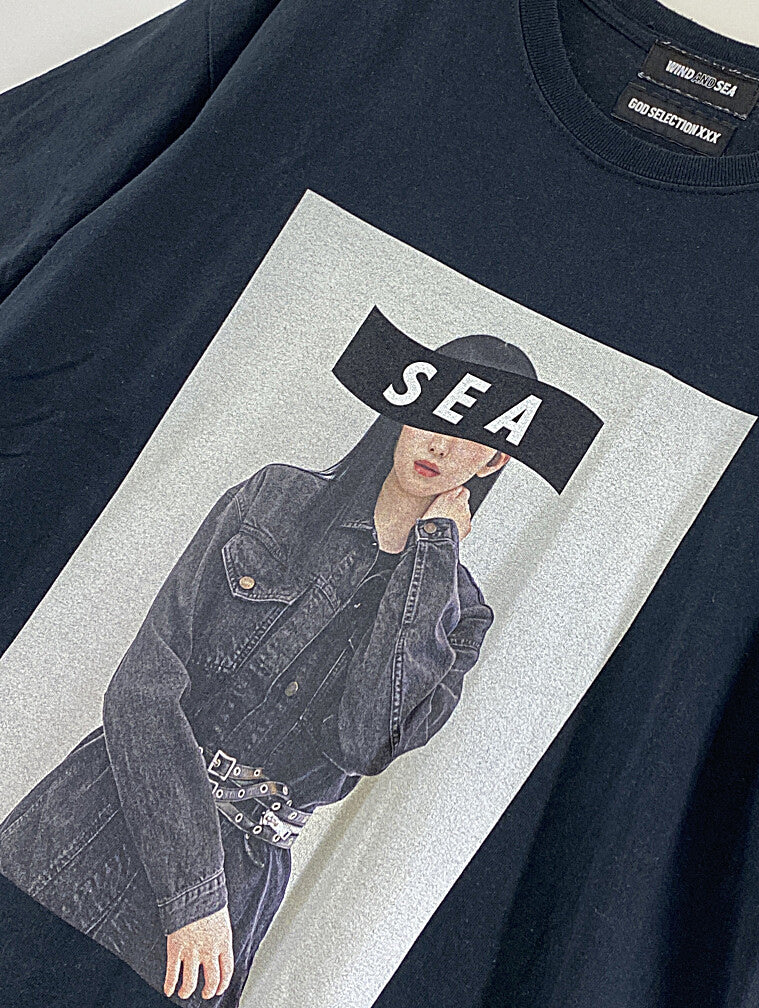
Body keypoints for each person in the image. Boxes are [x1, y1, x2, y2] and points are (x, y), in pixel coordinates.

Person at [0, 333, 537, 1005]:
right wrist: (193, 894)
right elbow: (142, 688)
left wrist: (433, 554)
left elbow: (363, 743)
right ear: (403, 407)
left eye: (470, 435)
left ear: (495, 458)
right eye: (434, 415)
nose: (441, 445)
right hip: (98, 820)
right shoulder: (273, 500)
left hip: (243, 880)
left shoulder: (460, 617)